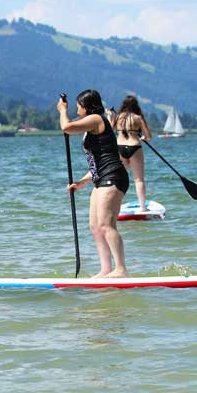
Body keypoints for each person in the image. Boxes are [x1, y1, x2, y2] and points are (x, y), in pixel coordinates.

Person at [58, 90, 130, 278]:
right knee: (95, 226)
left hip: (113, 177)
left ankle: (121, 269)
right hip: (100, 178)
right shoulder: (95, 123)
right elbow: (97, 162)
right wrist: (81, 183)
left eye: (78, 105)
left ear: (86, 106)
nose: (76, 108)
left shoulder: (96, 119)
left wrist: (62, 110)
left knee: (107, 225)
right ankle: (106, 269)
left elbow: (66, 127)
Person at [112, 95, 153, 211]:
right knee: (139, 180)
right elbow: (148, 136)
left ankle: (115, 206)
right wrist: (143, 137)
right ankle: (142, 207)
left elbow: (111, 130)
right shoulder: (138, 118)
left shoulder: (118, 117)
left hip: (119, 146)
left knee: (119, 178)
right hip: (134, 146)